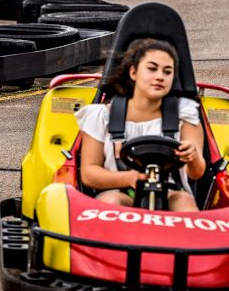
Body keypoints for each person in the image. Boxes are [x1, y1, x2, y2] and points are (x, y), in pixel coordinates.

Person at [75, 38, 206, 212]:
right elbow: (89, 173)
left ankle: (191, 237)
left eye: (167, 72)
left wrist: (193, 156)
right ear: (133, 72)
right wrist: (130, 178)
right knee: (112, 201)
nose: (160, 76)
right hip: (117, 191)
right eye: (152, 69)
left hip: (170, 193)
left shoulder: (185, 114)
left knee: (183, 200)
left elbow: (197, 172)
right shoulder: (101, 116)